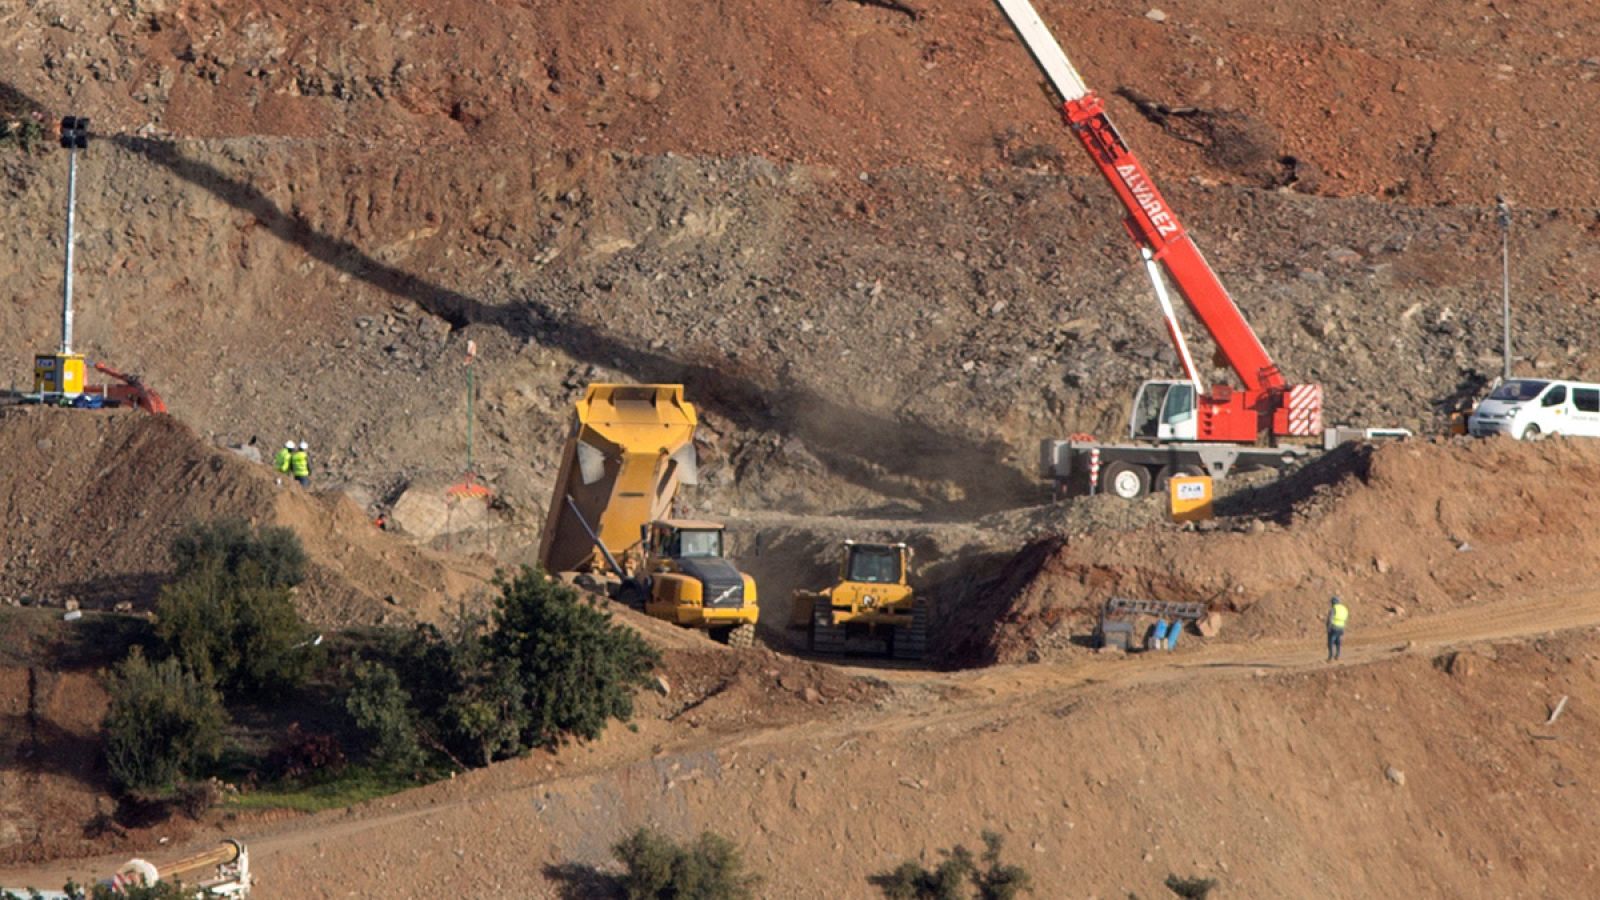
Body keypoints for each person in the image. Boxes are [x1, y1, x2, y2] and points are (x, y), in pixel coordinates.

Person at [1327, 595, 1350, 661]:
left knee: (1330, 642)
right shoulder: (1344, 608)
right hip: (1341, 628)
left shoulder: (1334, 608)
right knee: (1338, 641)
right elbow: (1346, 619)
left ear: (1333, 602)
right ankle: (1338, 654)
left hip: (1334, 627)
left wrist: (1328, 627)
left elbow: (1330, 619)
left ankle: (1330, 656)